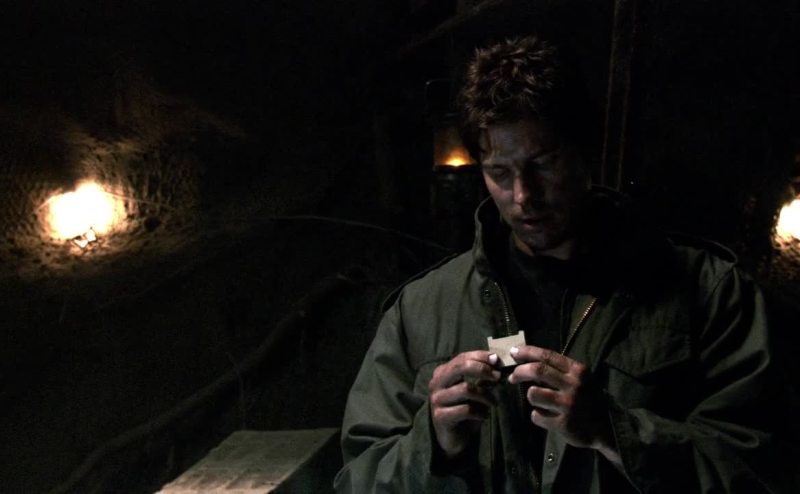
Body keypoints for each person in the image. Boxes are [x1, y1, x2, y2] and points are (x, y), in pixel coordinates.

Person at [334, 35, 791, 493]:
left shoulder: (711, 294)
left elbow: (764, 469)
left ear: (584, 151)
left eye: (543, 164)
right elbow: (358, 481)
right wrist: (433, 443)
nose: (523, 195)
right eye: (500, 172)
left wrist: (616, 431)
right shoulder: (420, 311)